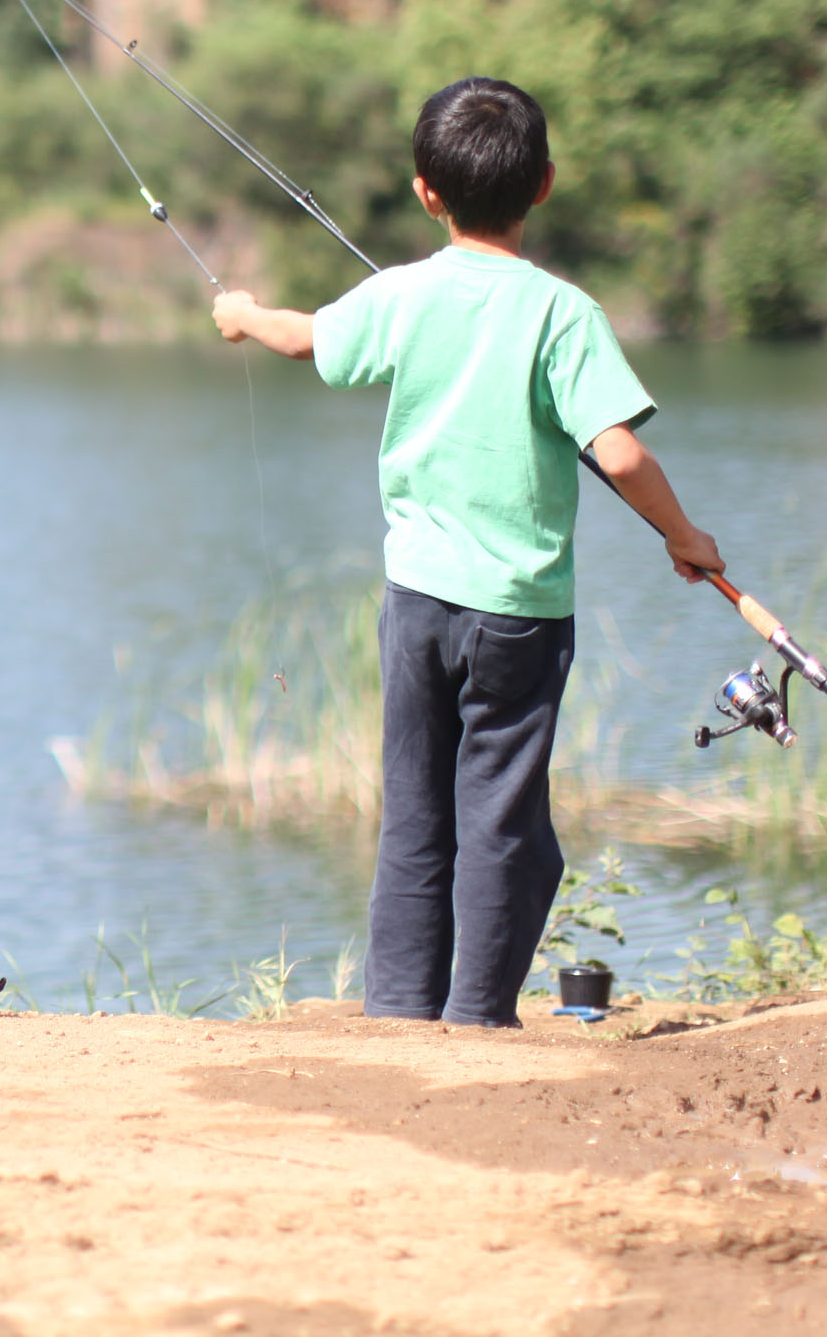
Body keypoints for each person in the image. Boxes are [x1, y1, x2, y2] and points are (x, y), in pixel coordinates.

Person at [212, 78, 722, 1027]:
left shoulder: (402, 293)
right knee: (498, 820)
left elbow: (305, 341)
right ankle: (478, 1017)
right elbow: (618, 450)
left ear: (424, 193)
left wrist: (240, 313)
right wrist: (682, 536)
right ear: (544, 186)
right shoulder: (564, 313)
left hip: (416, 606)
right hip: (520, 613)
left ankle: (401, 1012)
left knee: (414, 818)